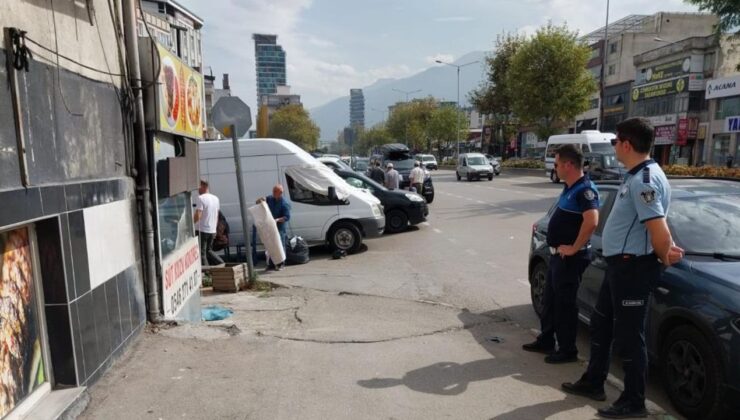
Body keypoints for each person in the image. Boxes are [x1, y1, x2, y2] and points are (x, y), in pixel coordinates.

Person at [561, 118, 684, 419]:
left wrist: (665, 254)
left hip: (633, 269)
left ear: (627, 144)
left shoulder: (645, 180)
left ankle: (634, 401)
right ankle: (594, 381)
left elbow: (659, 229)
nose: (614, 145)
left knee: (630, 336)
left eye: (616, 141)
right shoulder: (637, 175)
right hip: (618, 265)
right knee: (601, 325)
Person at [522, 144, 599, 364]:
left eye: (556, 164)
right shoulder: (570, 187)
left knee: (565, 306)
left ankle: (567, 350)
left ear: (568, 164)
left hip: (571, 258)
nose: (554, 168)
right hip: (557, 256)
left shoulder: (585, 189)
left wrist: (574, 247)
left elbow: (592, 220)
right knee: (550, 302)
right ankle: (546, 340)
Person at [252, 184, 291, 271]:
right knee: (269, 245)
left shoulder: (284, 203)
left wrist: (277, 220)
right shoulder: (270, 198)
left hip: (279, 228)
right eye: (273, 191)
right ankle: (271, 264)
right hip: (269, 226)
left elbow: (287, 217)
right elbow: (259, 202)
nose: (273, 193)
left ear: (280, 193)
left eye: (275, 191)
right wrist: (260, 199)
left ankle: (281, 264)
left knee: (279, 245)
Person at [194, 180, 224, 267]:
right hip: (212, 230)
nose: (197, 190)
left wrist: (190, 224)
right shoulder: (216, 198)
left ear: (203, 186)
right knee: (209, 251)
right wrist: (215, 228)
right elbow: (217, 215)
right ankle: (221, 263)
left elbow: (198, 215)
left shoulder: (201, 198)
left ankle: (207, 273)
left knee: (202, 253)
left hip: (202, 229)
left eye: (198, 187)